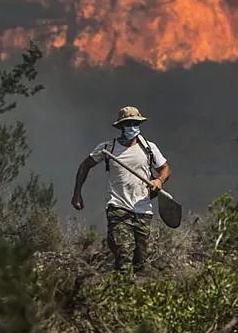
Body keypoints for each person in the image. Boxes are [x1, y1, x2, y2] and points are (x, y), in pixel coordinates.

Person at [71, 106, 171, 274]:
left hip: (143, 208)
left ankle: (134, 294)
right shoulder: (108, 148)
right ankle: (119, 286)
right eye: (128, 123)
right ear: (121, 127)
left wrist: (159, 181)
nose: (132, 127)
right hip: (118, 206)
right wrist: (77, 194)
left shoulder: (149, 148)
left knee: (141, 260)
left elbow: (165, 168)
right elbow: (85, 166)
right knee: (123, 253)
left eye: (135, 123)